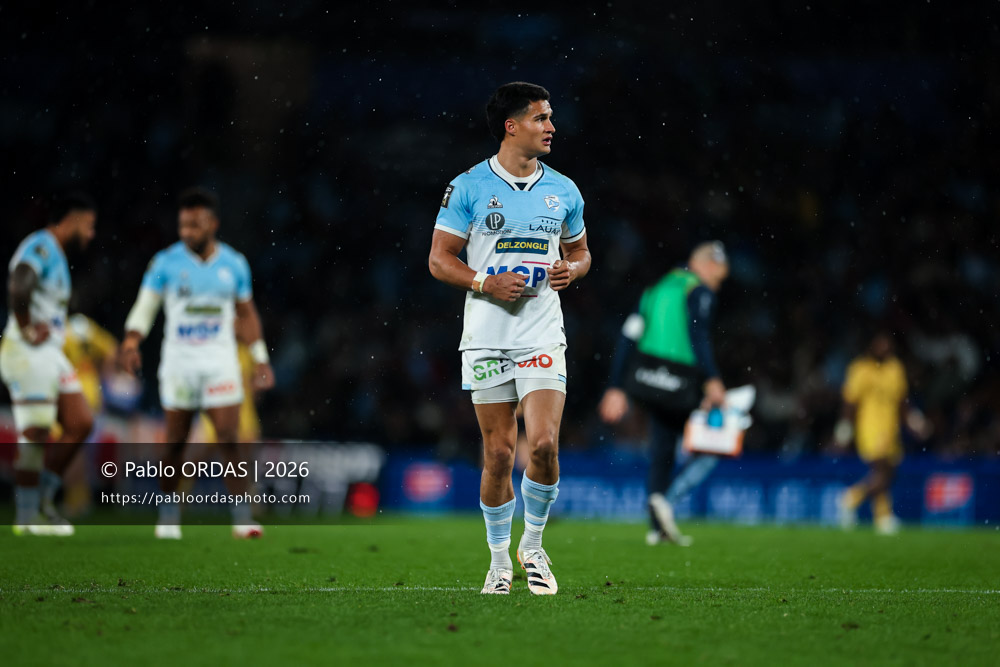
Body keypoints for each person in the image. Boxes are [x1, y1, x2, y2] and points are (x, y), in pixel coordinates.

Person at [428, 82, 591, 595]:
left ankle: (533, 544)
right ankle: (499, 560)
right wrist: (485, 281)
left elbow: (582, 252)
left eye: (551, 118)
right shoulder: (469, 187)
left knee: (542, 444)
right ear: (511, 125)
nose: (551, 127)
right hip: (486, 335)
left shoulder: (564, 190)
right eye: (541, 118)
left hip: (541, 329)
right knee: (498, 453)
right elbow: (439, 260)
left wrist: (574, 270)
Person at [119, 187, 275, 540]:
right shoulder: (165, 262)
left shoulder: (234, 263)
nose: (187, 232)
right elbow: (146, 306)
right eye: (183, 225)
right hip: (180, 362)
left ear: (213, 224)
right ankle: (170, 514)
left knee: (229, 437)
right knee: (175, 439)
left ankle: (242, 518)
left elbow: (246, 314)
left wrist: (260, 357)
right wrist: (131, 340)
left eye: (195, 225)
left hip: (220, 361)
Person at [598, 242, 730, 546]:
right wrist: (711, 380)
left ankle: (657, 524)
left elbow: (628, 336)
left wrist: (615, 386)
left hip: (647, 379)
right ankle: (667, 501)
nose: (717, 286)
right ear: (708, 265)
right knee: (713, 446)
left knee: (662, 446)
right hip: (682, 380)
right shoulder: (698, 290)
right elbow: (699, 335)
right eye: (719, 279)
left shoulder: (655, 288)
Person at [1, 193, 97, 535]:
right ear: (70, 219)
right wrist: (27, 325)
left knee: (81, 422)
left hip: (50, 353)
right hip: (27, 351)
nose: (91, 234)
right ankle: (27, 516)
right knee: (37, 431)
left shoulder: (56, 255)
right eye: (88, 225)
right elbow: (19, 281)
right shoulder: (41, 246)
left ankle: (42, 501)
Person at [835, 332, 923, 535]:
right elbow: (850, 402)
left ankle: (878, 515)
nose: (885, 348)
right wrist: (845, 428)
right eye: (881, 344)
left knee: (886, 473)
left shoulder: (895, 368)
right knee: (883, 471)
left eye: (888, 344)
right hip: (869, 428)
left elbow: (903, 402)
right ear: (871, 346)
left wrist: (914, 421)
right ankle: (853, 500)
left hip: (891, 429)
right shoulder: (860, 369)